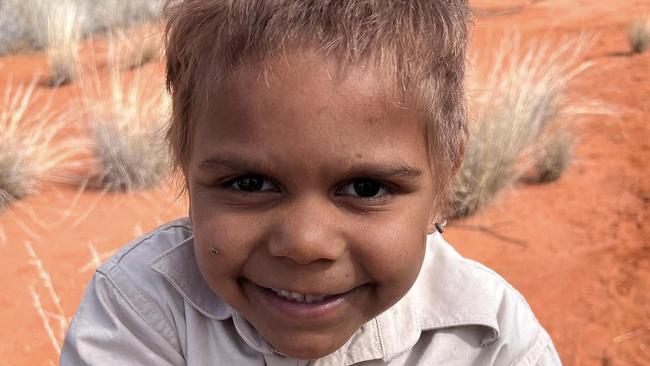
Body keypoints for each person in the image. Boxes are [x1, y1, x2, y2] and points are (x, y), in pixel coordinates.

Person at [60, 0, 562, 365]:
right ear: (185, 167)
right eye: (250, 183)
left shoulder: (491, 337)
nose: (305, 244)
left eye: (366, 189)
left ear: (443, 187)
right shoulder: (140, 310)